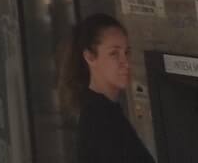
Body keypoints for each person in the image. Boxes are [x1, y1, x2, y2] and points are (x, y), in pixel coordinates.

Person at [60, 15, 154, 163]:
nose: (126, 63)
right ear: (90, 57)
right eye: (114, 53)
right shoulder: (99, 120)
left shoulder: (106, 110)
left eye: (126, 52)